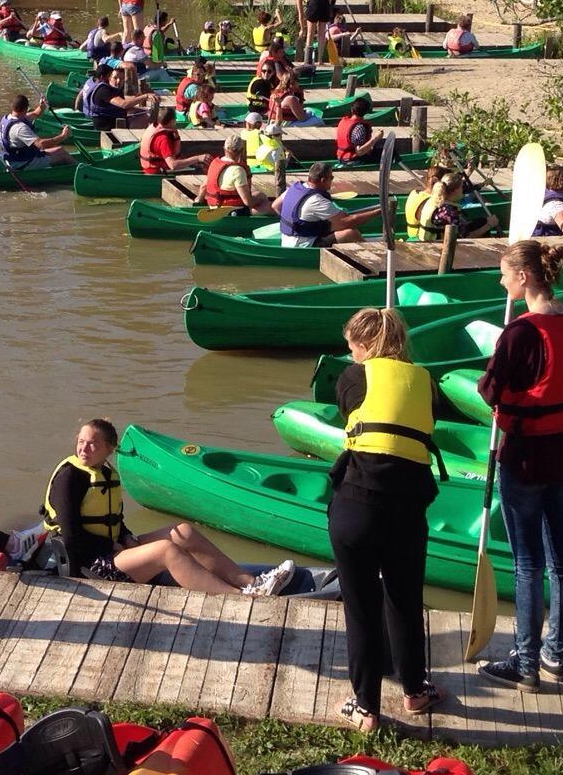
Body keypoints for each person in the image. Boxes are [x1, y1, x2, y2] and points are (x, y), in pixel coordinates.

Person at [475, 240, 563, 688]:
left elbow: (489, 390)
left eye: (504, 273)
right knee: (562, 558)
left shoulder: (521, 333)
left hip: (526, 457)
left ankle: (525, 664)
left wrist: (489, 380)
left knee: (528, 563)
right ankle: (554, 655)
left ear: (524, 277)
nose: (500, 280)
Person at [329, 308, 446, 732]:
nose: (350, 352)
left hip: (356, 507)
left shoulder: (352, 378)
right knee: (404, 601)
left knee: (361, 609)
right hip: (407, 508)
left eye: (353, 345)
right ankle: (415, 691)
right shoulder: (426, 380)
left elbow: (350, 411)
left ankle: (365, 709)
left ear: (366, 345)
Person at [43, 418, 293, 595]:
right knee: (166, 550)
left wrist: (126, 537)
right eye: (82, 441)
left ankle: (251, 582)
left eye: (93, 444)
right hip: (89, 565)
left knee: (182, 531)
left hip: (112, 550)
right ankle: (239, 598)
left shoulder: (103, 473)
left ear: (109, 449)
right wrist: (112, 545)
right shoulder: (71, 477)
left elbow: (111, 521)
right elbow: (71, 534)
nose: (84, 448)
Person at [277, 161, 369, 250]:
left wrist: (294, 222)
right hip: (303, 245)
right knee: (350, 233)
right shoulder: (316, 200)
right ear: (323, 180)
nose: (332, 180)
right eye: (331, 177)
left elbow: (276, 206)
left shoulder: (294, 188)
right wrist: (378, 212)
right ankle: (371, 255)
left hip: (287, 241)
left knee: (330, 226)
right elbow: (347, 222)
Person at [404, 167, 493, 240]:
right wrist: (490, 225)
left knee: (479, 222)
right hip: (427, 241)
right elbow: (465, 237)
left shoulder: (422, 195)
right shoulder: (445, 209)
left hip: (425, 235)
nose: (463, 191)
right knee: (482, 225)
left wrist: (480, 183)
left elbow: (458, 186)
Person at [0, 92, 78, 168]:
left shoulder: (8, 118)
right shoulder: (20, 128)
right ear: (26, 108)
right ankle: (79, 170)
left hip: (14, 158)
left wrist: (42, 106)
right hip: (21, 163)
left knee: (59, 150)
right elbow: (41, 144)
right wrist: (63, 136)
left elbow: (35, 114)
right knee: (62, 154)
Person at [201, 133, 272, 215]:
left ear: (224, 148)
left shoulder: (215, 163)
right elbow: (248, 202)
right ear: (241, 151)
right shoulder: (238, 170)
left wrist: (198, 201)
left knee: (258, 194)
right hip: (231, 212)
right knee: (270, 205)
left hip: (213, 206)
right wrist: (261, 198)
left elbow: (203, 186)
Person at [139, 107, 201, 176]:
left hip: (150, 169)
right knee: (198, 169)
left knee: (192, 164)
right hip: (157, 173)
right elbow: (173, 165)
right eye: (175, 119)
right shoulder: (163, 139)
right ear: (172, 121)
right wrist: (197, 158)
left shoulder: (154, 126)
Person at [295, 0, 336, 66]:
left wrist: (302, 29)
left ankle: (307, 61)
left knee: (310, 33)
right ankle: (320, 60)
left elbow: (300, 14)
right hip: (325, 2)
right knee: (321, 34)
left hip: (314, 2)